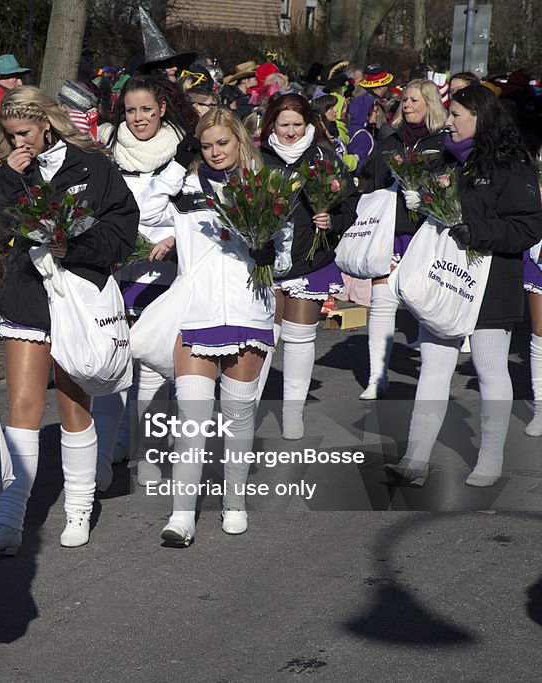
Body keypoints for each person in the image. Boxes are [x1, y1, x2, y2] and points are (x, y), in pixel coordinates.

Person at [0, 86, 137, 554]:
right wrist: (3, 181)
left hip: (76, 294)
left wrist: (74, 248)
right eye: (9, 135)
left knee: (72, 406)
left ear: (46, 124)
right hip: (26, 295)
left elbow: (123, 229)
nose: (17, 141)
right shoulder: (5, 172)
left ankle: (79, 508)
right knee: (21, 408)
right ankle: (7, 523)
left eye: (23, 132)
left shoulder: (93, 166)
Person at [138, 108, 291, 544]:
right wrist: (177, 161)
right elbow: (147, 210)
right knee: (192, 418)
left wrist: (269, 257)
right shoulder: (186, 187)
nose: (214, 152)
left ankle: (234, 500)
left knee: (239, 417)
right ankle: (182, 515)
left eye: (222, 143)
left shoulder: (264, 187)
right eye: (205, 146)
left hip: (248, 313)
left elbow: (284, 252)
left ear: (239, 142)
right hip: (196, 316)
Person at [388, 85, 542, 487]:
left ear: (481, 117)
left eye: (456, 114)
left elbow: (528, 225)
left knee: (490, 369)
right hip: (448, 279)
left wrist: (476, 231)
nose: (448, 121)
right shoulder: (447, 159)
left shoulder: (511, 163)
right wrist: (417, 203)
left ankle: (490, 459)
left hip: (493, 282)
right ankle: (415, 459)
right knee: (434, 368)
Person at [93, 75, 185, 489]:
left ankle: (147, 446)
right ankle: (112, 444)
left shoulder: (183, 152)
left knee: (149, 356)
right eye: (131, 110)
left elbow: (198, 211)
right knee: (118, 355)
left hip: (164, 265)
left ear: (162, 108)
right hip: (118, 264)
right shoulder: (109, 151)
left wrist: (174, 238)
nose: (139, 118)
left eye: (146, 109)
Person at [257, 94, 358, 440]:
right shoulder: (257, 156)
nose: (289, 132)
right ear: (271, 123)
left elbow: (350, 205)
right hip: (265, 262)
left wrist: (332, 218)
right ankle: (246, 409)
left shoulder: (323, 157)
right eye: (283, 124)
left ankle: (293, 414)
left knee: (299, 339)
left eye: (296, 125)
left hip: (311, 259)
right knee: (262, 339)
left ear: (309, 125)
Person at [358, 79, 448, 399]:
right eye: (405, 100)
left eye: (413, 100)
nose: (407, 105)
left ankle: (430, 371)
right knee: (381, 304)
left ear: (430, 104)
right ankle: (376, 377)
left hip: (428, 235)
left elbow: (452, 189)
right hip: (392, 234)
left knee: (423, 305)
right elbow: (372, 180)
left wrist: (425, 198)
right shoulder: (391, 140)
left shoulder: (442, 142)